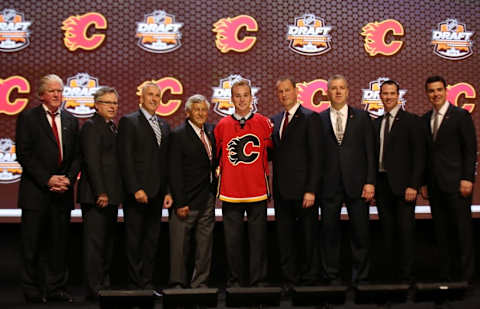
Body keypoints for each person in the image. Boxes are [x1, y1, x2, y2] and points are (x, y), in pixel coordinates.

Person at [16, 74, 80, 303]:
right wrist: (48, 179)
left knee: (58, 245)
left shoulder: (71, 121)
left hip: (61, 194)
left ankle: (55, 288)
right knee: (31, 245)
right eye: (52, 91)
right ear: (41, 94)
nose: (56, 95)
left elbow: (76, 157)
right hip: (36, 193)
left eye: (60, 91)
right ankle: (32, 289)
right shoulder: (28, 117)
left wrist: (68, 179)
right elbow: (24, 154)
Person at [214, 79, 273, 287]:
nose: (241, 99)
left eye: (245, 95)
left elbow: (271, 153)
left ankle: (259, 280)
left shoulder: (264, 123)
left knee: (258, 241)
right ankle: (235, 281)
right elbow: (216, 157)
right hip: (231, 193)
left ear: (251, 97)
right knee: (233, 243)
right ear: (231, 99)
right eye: (237, 95)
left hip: (257, 191)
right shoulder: (221, 126)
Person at [318, 75, 375, 285]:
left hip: (358, 184)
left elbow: (370, 151)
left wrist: (370, 182)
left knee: (360, 233)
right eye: (334, 88)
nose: (338, 92)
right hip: (329, 185)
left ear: (348, 91)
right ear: (328, 93)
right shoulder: (319, 118)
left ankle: (361, 277)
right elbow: (317, 156)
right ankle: (330, 276)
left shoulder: (361, 117)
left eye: (342, 88)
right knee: (329, 233)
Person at [421, 75, 477, 282]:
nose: (435, 94)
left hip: (457, 184)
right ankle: (446, 277)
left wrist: (467, 178)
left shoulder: (461, 115)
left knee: (462, 234)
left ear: (446, 91)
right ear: (427, 94)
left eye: (438, 90)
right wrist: (424, 182)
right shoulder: (425, 119)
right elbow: (425, 155)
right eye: (431, 91)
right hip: (435, 186)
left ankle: (465, 280)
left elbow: (470, 150)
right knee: (442, 235)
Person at [117, 82, 172, 291]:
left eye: (157, 96)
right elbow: (126, 159)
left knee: (151, 241)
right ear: (141, 97)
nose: (154, 99)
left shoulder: (164, 125)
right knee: (134, 241)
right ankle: (135, 285)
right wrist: (135, 188)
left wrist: (167, 191)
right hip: (137, 193)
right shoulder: (129, 122)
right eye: (150, 95)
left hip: (157, 194)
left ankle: (147, 284)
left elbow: (165, 162)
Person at [270, 77, 322, 292]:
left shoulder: (310, 117)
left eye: (287, 90)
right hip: (282, 191)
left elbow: (316, 157)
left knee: (308, 237)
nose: (284, 95)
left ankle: (310, 279)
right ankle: (289, 278)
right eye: (280, 91)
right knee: (285, 238)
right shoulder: (275, 120)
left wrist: (311, 189)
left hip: (304, 192)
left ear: (296, 91)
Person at [374, 80, 425, 283]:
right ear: (380, 96)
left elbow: (419, 155)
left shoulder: (412, 121)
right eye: (384, 93)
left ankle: (407, 277)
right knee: (387, 233)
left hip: (405, 187)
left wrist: (414, 184)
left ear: (398, 95)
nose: (388, 97)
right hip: (382, 184)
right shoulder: (376, 122)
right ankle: (392, 278)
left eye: (392, 93)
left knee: (405, 233)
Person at [78, 86, 123, 300]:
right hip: (97, 196)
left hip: (112, 196)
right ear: (97, 105)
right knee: (95, 244)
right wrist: (101, 192)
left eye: (115, 103)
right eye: (108, 103)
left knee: (107, 242)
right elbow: (92, 162)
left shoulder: (112, 127)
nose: (113, 106)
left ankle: (104, 283)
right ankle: (93, 287)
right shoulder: (91, 126)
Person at [168, 94, 217, 289]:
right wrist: (180, 202)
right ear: (187, 113)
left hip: (208, 198)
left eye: (204, 110)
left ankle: (200, 283)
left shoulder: (210, 133)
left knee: (204, 247)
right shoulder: (178, 135)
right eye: (196, 110)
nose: (201, 113)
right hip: (186, 200)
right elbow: (174, 171)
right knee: (180, 246)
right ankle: (177, 284)